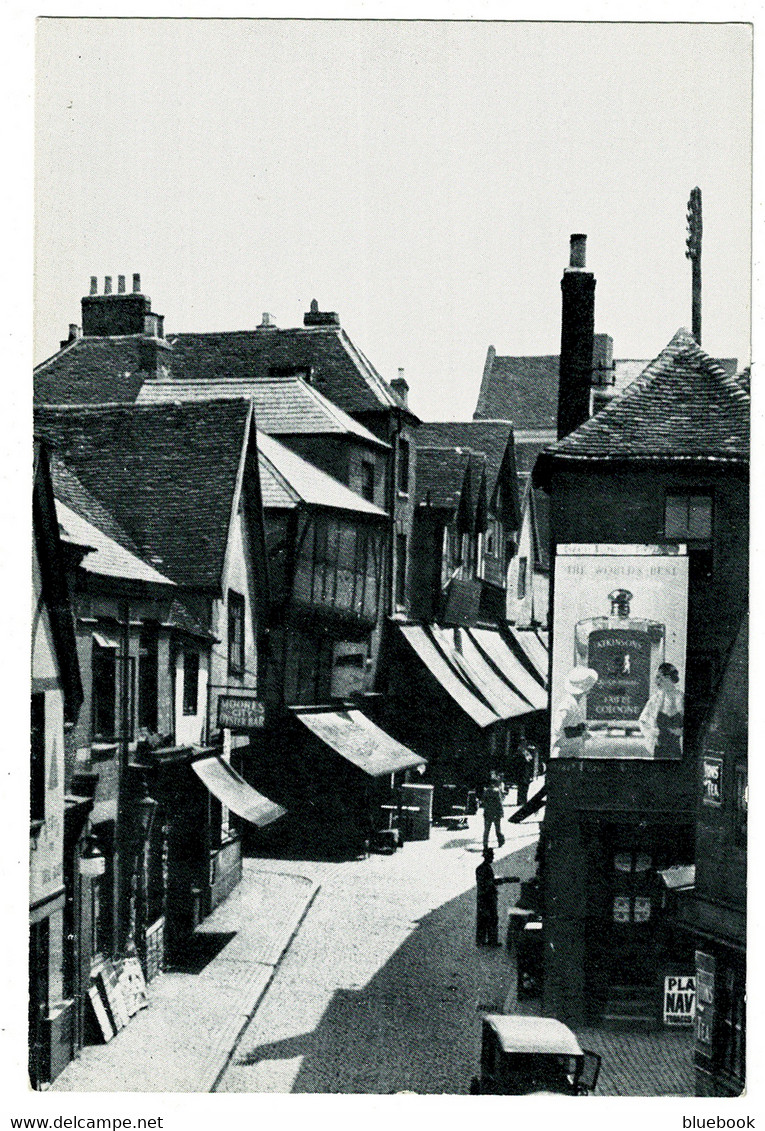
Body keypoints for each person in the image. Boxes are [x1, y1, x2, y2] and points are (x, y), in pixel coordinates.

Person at [639, 661, 684, 758]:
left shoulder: (681, 698)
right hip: (659, 748)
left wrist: (681, 732)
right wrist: (653, 734)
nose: (656, 681)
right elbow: (643, 721)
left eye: (659, 677)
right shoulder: (655, 700)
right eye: (656, 678)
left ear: (668, 678)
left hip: (677, 749)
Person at [551, 667, 598, 757]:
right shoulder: (566, 706)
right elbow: (558, 732)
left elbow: (572, 727)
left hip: (574, 750)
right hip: (564, 753)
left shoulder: (575, 704)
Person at [475, 848, 515, 946]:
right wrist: (506, 880)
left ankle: (481, 940)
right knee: (491, 918)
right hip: (487, 897)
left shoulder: (480, 868)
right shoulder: (485, 869)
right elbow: (489, 883)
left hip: (482, 897)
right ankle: (492, 940)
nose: (493, 858)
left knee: (483, 918)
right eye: (491, 856)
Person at [481, 771, 505, 849]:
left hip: (487, 813)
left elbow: (483, 802)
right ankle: (500, 841)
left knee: (486, 830)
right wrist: (501, 812)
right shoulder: (497, 791)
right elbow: (500, 803)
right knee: (497, 829)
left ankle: (485, 844)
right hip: (496, 813)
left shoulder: (486, 791)